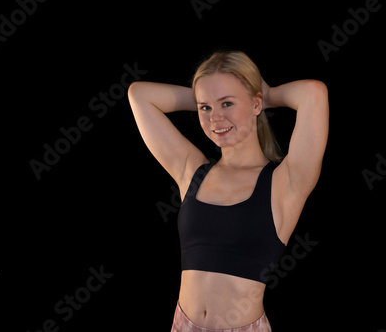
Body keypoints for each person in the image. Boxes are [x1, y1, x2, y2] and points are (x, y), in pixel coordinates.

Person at [128, 51, 329, 331]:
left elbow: (313, 93)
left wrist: (262, 95)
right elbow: (139, 94)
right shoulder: (193, 171)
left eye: (227, 103)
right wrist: (209, 97)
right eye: (205, 108)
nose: (215, 118)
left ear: (257, 104)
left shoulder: (286, 182)